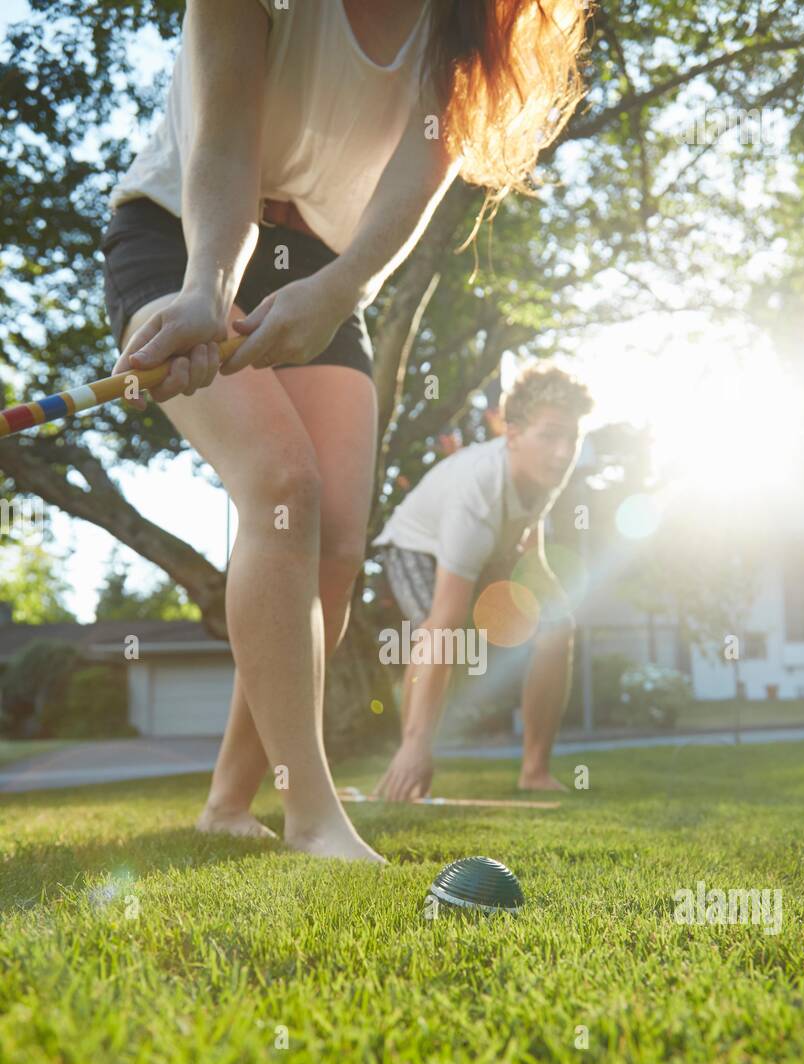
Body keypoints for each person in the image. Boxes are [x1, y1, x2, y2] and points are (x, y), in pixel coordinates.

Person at [100, 0, 590, 861]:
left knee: (329, 548)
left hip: (331, 263)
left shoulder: (467, 26)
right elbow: (222, 147)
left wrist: (339, 292)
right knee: (283, 486)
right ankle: (315, 816)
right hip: (184, 236)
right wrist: (208, 291)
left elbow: (416, 179)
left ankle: (226, 803)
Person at [372, 364, 592, 800]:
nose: (564, 451)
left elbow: (530, 540)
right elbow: (443, 626)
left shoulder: (546, 472)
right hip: (416, 545)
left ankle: (535, 771)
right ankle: (411, 756)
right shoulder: (478, 494)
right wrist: (418, 745)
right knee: (437, 632)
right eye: (549, 435)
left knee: (558, 627)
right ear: (512, 434)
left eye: (572, 437)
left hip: (492, 550)